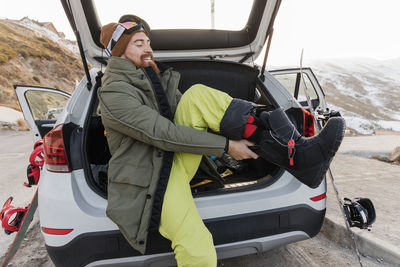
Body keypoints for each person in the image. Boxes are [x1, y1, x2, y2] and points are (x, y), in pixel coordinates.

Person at [98, 14, 345, 267]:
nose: (148, 48)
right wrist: (227, 146)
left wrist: (246, 129)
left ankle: (294, 152)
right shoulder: (113, 91)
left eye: (148, 42)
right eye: (139, 43)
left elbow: (198, 113)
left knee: (196, 96)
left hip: (172, 160)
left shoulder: (154, 80)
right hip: (148, 177)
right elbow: (163, 134)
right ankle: (295, 155)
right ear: (119, 52)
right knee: (197, 249)